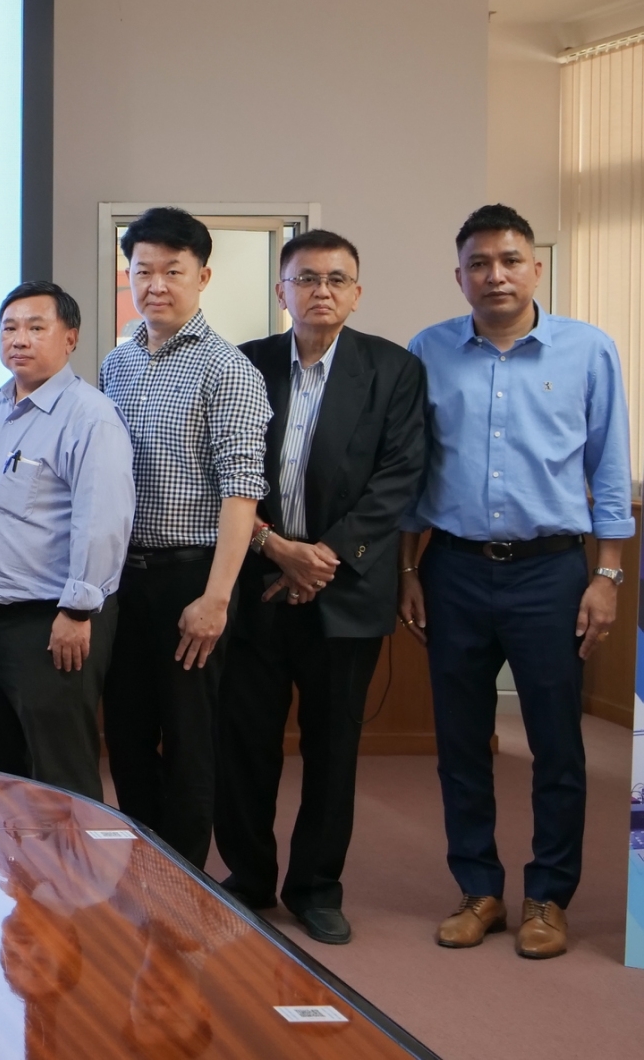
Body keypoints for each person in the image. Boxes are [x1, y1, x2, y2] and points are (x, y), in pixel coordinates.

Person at [399, 205, 632, 959]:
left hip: (552, 574)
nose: (494, 275)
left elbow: (608, 469)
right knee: (461, 743)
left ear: (535, 268)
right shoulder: (428, 351)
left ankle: (547, 898)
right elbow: (411, 471)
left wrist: (607, 575)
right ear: (459, 275)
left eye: (508, 261)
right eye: (479, 264)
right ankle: (480, 890)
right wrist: (410, 569)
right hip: (453, 570)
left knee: (557, 746)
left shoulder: (589, 350)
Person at [212, 231, 427, 946]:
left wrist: (323, 558)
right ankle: (249, 877)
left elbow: (399, 475)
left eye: (337, 279)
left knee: (333, 749)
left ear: (357, 293)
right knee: (245, 742)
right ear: (283, 291)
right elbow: (222, 468)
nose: (321, 291)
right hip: (256, 580)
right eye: (306, 278)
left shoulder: (393, 370)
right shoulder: (246, 363)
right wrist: (277, 549)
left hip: (345, 586)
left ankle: (316, 888)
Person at [100, 207, 270, 868]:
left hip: (192, 578)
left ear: (203, 276)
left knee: (190, 740)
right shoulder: (118, 364)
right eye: (143, 270)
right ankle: (141, 869)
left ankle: (183, 886)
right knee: (127, 735)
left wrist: (217, 597)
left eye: (173, 271)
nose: (156, 285)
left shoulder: (227, 369)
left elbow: (242, 491)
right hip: (125, 579)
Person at [0, 282, 135, 800]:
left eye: (36, 327)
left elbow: (103, 518)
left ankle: (70, 861)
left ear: (70, 338)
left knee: (59, 777)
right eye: (9, 328)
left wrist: (77, 610)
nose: (19, 339)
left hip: (52, 622)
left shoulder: (90, 415)